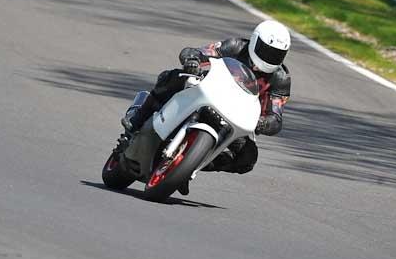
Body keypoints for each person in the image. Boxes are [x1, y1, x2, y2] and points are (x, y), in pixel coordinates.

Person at [122, 20, 291, 189]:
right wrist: (193, 61)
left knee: (247, 158)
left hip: (234, 116)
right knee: (172, 77)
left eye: (276, 54)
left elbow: (276, 116)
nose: (270, 58)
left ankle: (187, 168)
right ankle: (137, 117)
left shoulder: (281, 78)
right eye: (267, 51)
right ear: (255, 41)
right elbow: (197, 52)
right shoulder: (235, 46)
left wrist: (263, 123)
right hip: (207, 91)